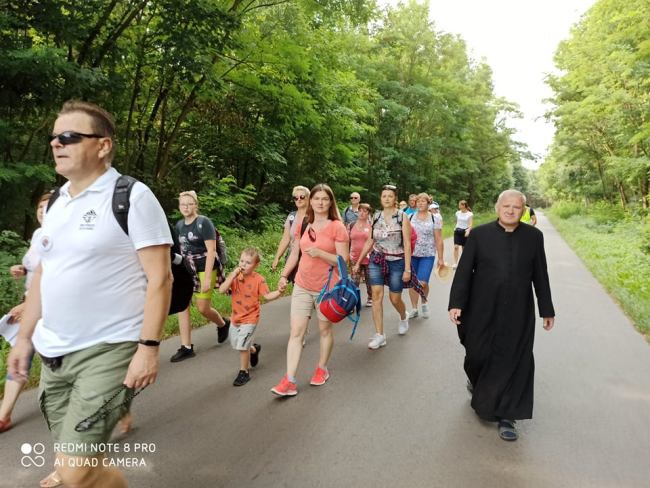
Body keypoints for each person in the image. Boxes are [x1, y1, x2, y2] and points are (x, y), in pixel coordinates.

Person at [7, 100, 173, 488]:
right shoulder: (59, 202)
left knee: (76, 470)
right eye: (54, 138)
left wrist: (148, 348)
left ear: (102, 145)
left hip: (109, 349)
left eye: (69, 137)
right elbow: (46, 275)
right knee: (77, 468)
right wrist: (25, 340)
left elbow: (160, 278)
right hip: (54, 354)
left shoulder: (131, 196)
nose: (56, 144)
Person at [448, 189, 555, 442]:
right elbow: (464, 271)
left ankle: (508, 415)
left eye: (516, 207)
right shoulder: (480, 235)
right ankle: (478, 381)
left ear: (524, 210)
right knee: (477, 354)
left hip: (518, 310)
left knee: (514, 358)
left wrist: (546, 308)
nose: (510, 210)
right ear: (497, 208)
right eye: (506, 206)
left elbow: (541, 273)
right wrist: (456, 303)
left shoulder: (533, 237)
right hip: (481, 307)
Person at [272, 184, 349, 396]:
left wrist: (321, 254)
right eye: (317, 199)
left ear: (331, 202)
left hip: (327, 288)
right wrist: (283, 276)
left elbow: (344, 262)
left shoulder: (337, 227)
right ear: (311, 201)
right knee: (296, 333)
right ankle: (289, 380)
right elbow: (295, 253)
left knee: (324, 330)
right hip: (302, 285)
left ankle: (322, 368)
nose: (320, 203)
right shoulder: (304, 223)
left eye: (325, 199)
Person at [0, 192, 50, 434]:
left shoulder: (60, 236)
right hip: (31, 303)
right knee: (21, 355)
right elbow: (34, 268)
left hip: (49, 306)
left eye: (48, 206)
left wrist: (28, 306)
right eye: (40, 207)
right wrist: (20, 268)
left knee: (57, 359)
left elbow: (53, 275)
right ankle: (4, 415)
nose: (42, 211)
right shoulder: (38, 235)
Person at [353, 184, 425, 349]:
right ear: (381, 198)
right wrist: (358, 261)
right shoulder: (376, 216)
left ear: (395, 199)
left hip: (397, 261)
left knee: (394, 298)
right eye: (384, 196)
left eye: (390, 196)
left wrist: (407, 268)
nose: (386, 198)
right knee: (376, 296)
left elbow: (407, 243)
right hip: (377, 259)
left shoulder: (402, 217)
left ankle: (403, 315)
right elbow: (370, 240)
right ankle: (380, 335)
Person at [170, 191, 230, 362]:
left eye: (189, 204)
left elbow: (211, 251)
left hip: (205, 267)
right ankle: (186, 347)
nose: (186, 207)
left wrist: (207, 279)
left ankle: (223, 324)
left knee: (203, 307)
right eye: (183, 204)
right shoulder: (180, 225)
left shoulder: (204, 223)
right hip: (187, 267)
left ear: (196, 205)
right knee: (183, 305)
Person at [219, 248, 283, 386]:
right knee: (237, 343)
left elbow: (267, 296)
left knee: (242, 346)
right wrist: (232, 275)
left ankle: (244, 372)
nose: (243, 264)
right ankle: (253, 350)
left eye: (248, 262)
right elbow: (221, 290)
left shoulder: (259, 279)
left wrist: (279, 292)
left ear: (255, 265)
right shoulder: (235, 277)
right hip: (236, 318)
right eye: (242, 261)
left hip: (251, 318)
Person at [407, 193, 444, 319]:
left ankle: (424, 302)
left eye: (423, 201)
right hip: (411, 254)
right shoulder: (410, 217)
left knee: (422, 282)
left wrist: (441, 258)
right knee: (412, 282)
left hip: (428, 254)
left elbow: (438, 239)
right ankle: (413, 308)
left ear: (428, 203)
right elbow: (405, 237)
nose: (420, 203)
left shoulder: (435, 218)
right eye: (418, 201)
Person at [271, 185, 310, 275]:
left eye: (302, 197)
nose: (299, 199)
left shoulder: (314, 216)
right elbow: (286, 238)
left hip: (309, 258)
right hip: (292, 257)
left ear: (308, 198)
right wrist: (277, 257)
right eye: (295, 198)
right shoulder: (291, 216)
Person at [348, 203, 373, 307]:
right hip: (354, 257)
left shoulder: (371, 225)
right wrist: (347, 254)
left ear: (368, 213)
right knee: (354, 281)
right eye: (360, 211)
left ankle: (370, 297)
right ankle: (353, 302)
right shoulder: (351, 225)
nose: (362, 213)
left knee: (369, 281)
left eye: (365, 211)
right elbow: (346, 241)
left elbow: (372, 241)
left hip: (369, 258)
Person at [452, 200, 473, 269]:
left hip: (465, 232)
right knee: (456, 247)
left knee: (464, 249)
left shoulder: (470, 214)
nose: (459, 206)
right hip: (457, 231)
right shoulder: (457, 213)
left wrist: (468, 230)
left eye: (460, 205)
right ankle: (455, 263)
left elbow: (470, 224)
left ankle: (465, 263)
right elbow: (456, 221)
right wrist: (455, 227)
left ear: (464, 205)